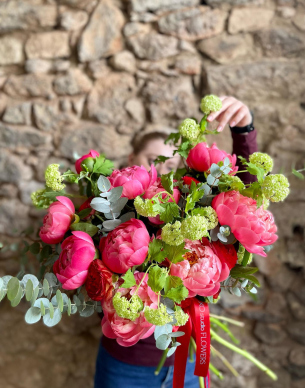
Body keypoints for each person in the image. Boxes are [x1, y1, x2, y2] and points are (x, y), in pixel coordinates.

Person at [94, 96, 258, 388]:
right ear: (132, 161)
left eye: (171, 162)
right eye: (153, 161)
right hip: (125, 366)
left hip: (189, 358)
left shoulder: (193, 207)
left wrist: (244, 131)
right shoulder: (110, 211)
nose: (163, 169)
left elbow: (242, 199)